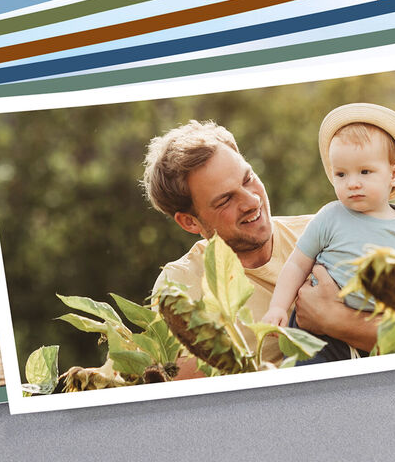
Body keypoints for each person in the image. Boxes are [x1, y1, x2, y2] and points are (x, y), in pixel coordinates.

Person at [141, 119, 377, 374]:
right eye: (225, 200)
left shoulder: (328, 234)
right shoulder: (182, 288)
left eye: (248, 178)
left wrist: (337, 321)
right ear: (189, 222)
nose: (252, 201)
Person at [260, 104, 395, 361]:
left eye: (365, 172)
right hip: (317, 335)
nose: (353, 183)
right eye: (341, 174)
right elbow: (296, 265)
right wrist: (278, 306)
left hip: (374, 332)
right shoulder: (330, 217)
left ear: (393, 175)